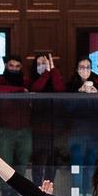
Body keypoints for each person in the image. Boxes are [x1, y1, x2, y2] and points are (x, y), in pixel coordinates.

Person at [0, 53, 33, 194]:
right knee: (4, 162)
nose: (14, 69)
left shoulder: (25, 81)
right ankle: (5, 191)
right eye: (11, 65)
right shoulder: (0, 79)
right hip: (6, 129)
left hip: (25, 128)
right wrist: (21, 91)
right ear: (6, 66)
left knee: (22, 162)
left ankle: (18, 191)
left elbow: (34, 88)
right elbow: (0, 90)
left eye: (17, 66)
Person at [28, 52, 66, 185]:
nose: (42, 66)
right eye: (38, 64)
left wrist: (52, 70)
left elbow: (60, 89)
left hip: (54, 128)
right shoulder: (32, 80)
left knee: (52, 161)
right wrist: (46, 73)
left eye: (44, 63)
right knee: (38, 161)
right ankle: (36, 189)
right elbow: (36, 88)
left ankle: (48, 190)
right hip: (38, 128)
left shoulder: (54, 77)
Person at [65, 58, 98, 176]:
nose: (85, 70)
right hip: (76, 132)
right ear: (77, 69)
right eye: (82, 67)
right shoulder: (71, 86)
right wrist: (79, 93)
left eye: (88, 67)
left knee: (91, 163)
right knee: (76, 162)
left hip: (93, 132)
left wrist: (96, 96)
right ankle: (76, 188)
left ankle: (88, 188)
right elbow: (68, 108)